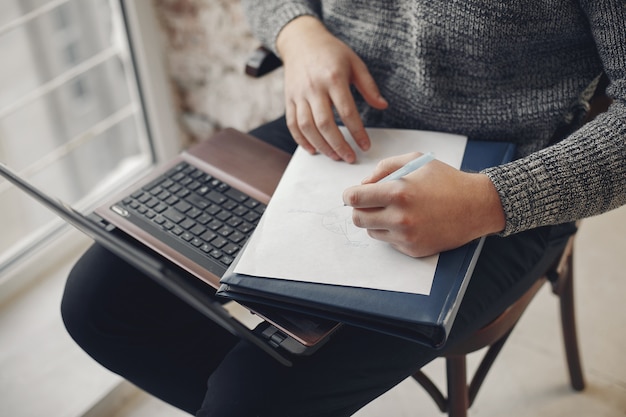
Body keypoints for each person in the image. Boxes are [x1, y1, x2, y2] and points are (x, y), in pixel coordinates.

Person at [60, 1, 626, 416]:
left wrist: (491, 200)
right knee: (100, 306)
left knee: (252, 398)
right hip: (335, 136)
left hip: (503, 184)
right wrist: (296, 30)